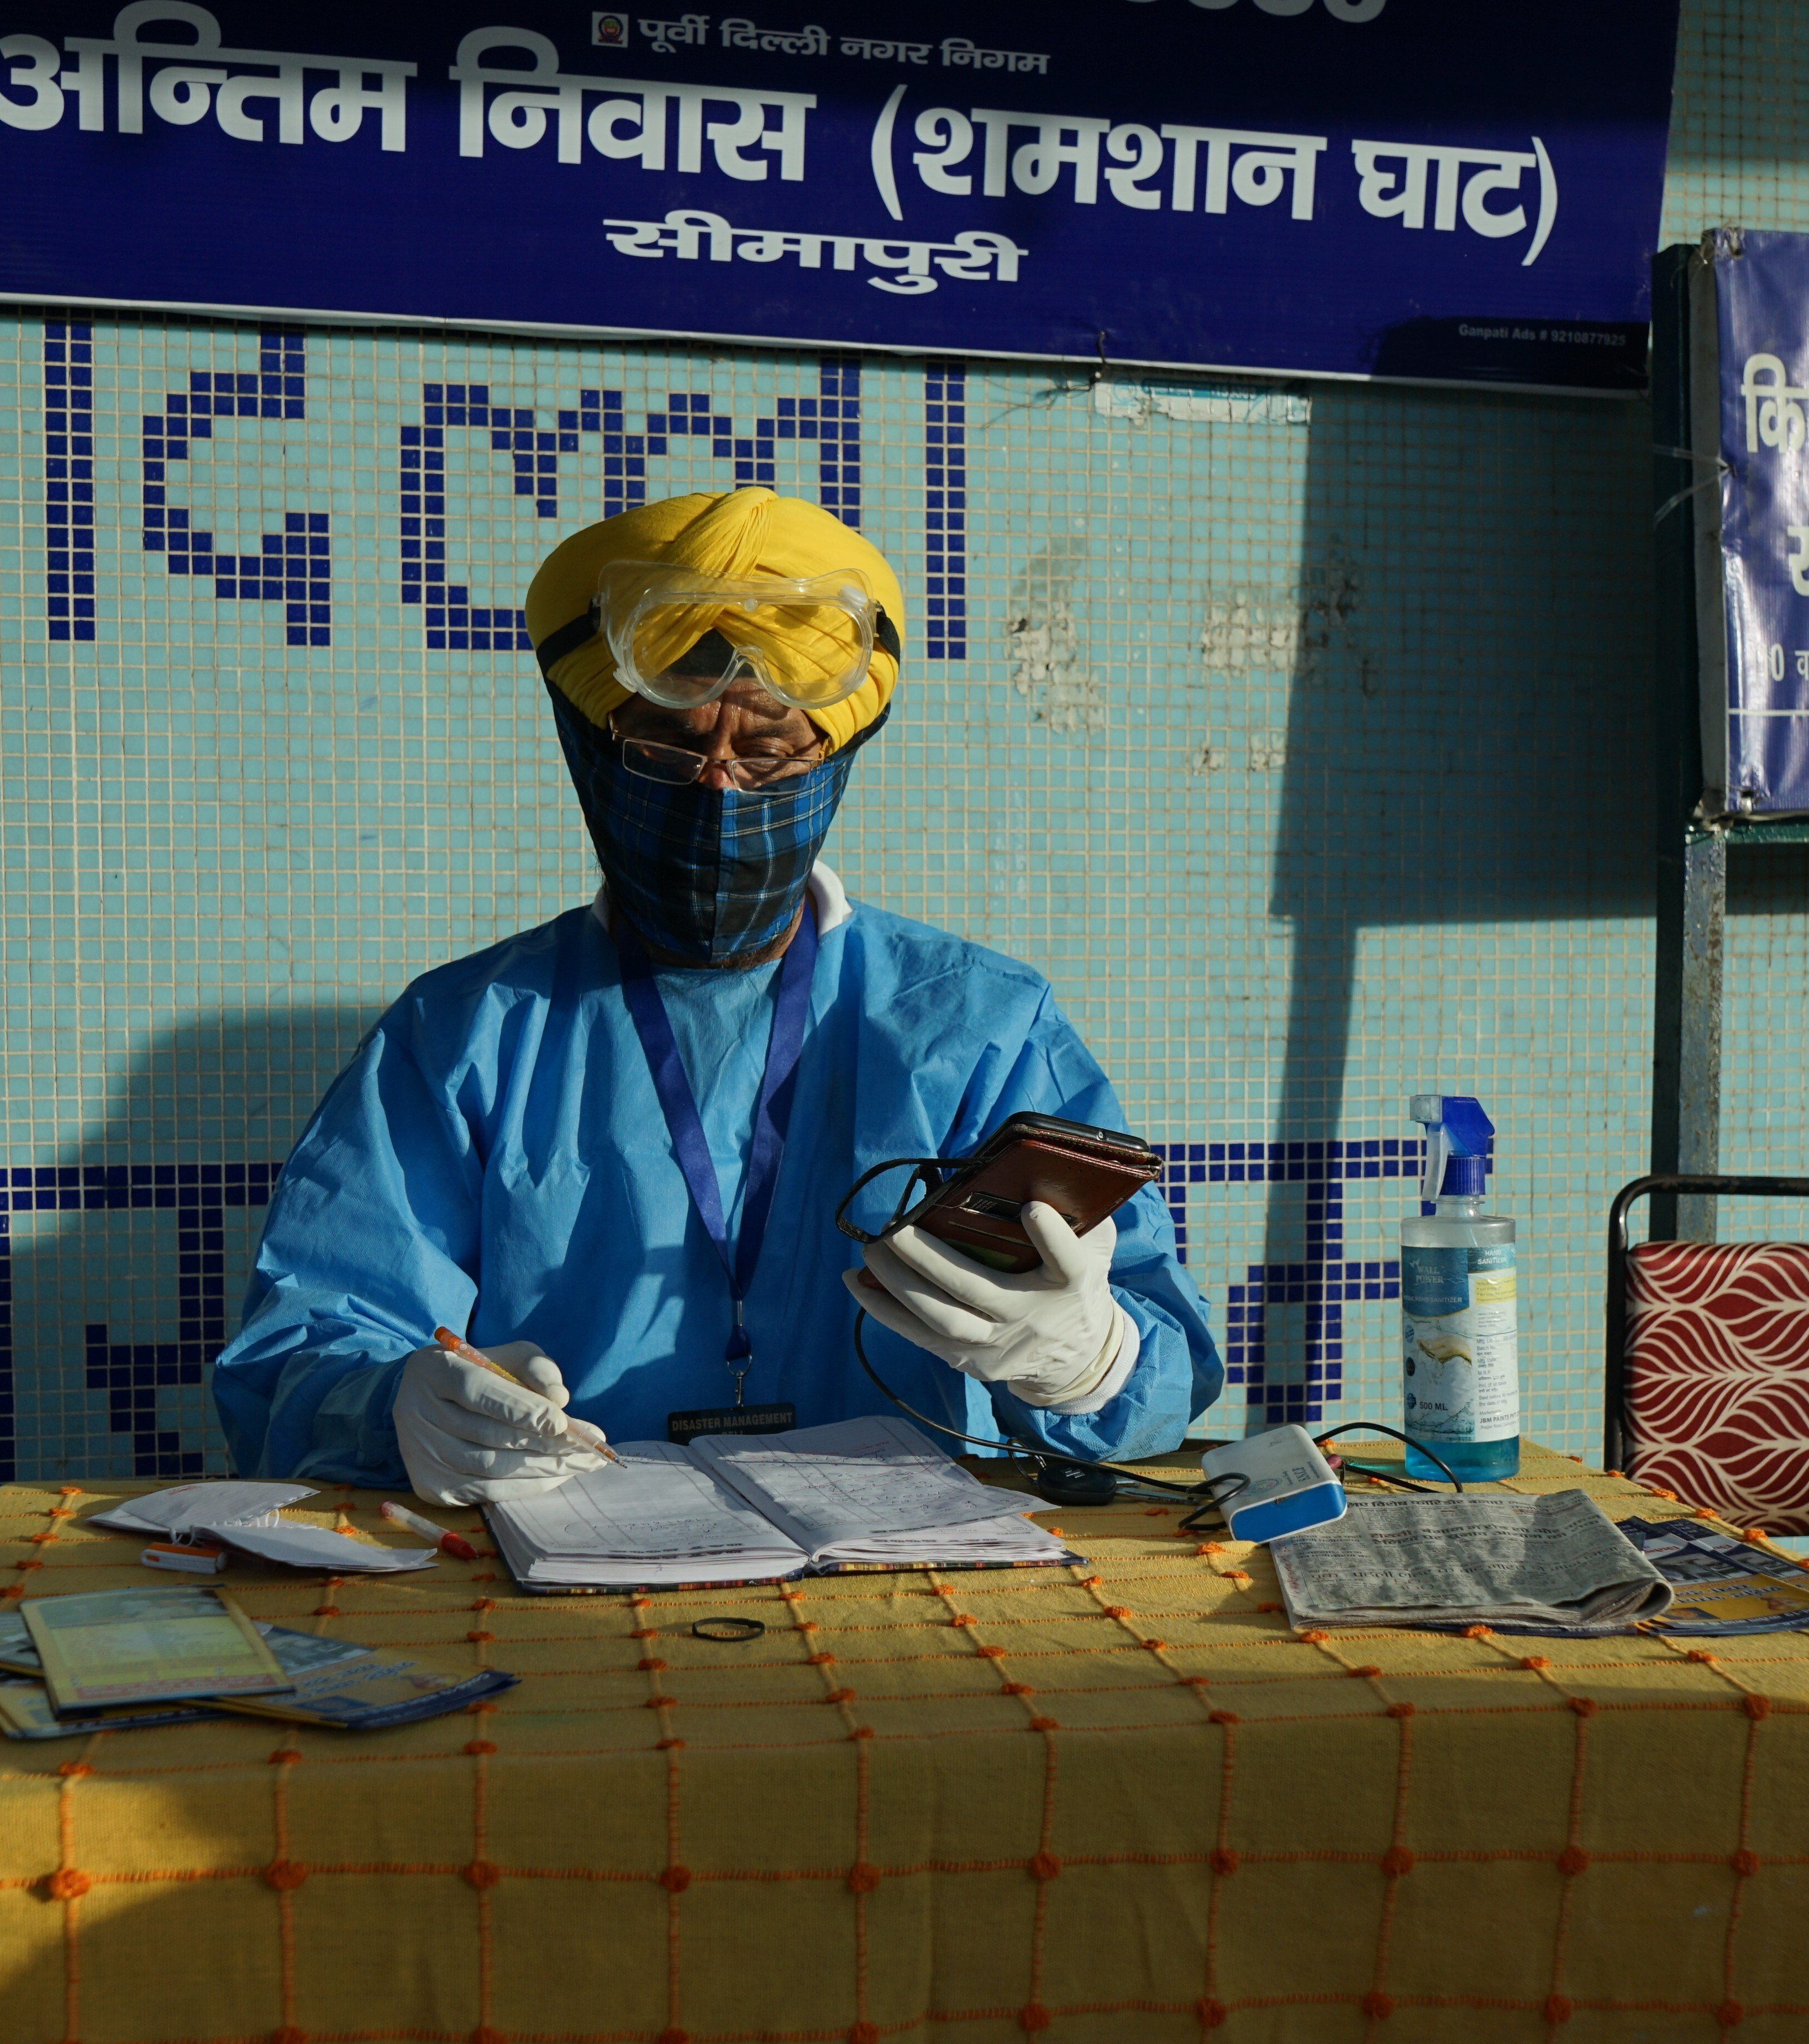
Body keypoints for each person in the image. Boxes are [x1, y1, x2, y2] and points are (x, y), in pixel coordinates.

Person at [211, 490, 1220, 1500]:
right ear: (591, 753)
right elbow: (296, 1358)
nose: (720, 791)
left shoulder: (981, 1028)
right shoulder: (464, 1037)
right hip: (564, 1588)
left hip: (898, 1595)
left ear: (832, 760)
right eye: (667, 750)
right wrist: (396, 1410)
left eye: (768, 750)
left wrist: (1092, 1364)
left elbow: (1166, 1359)